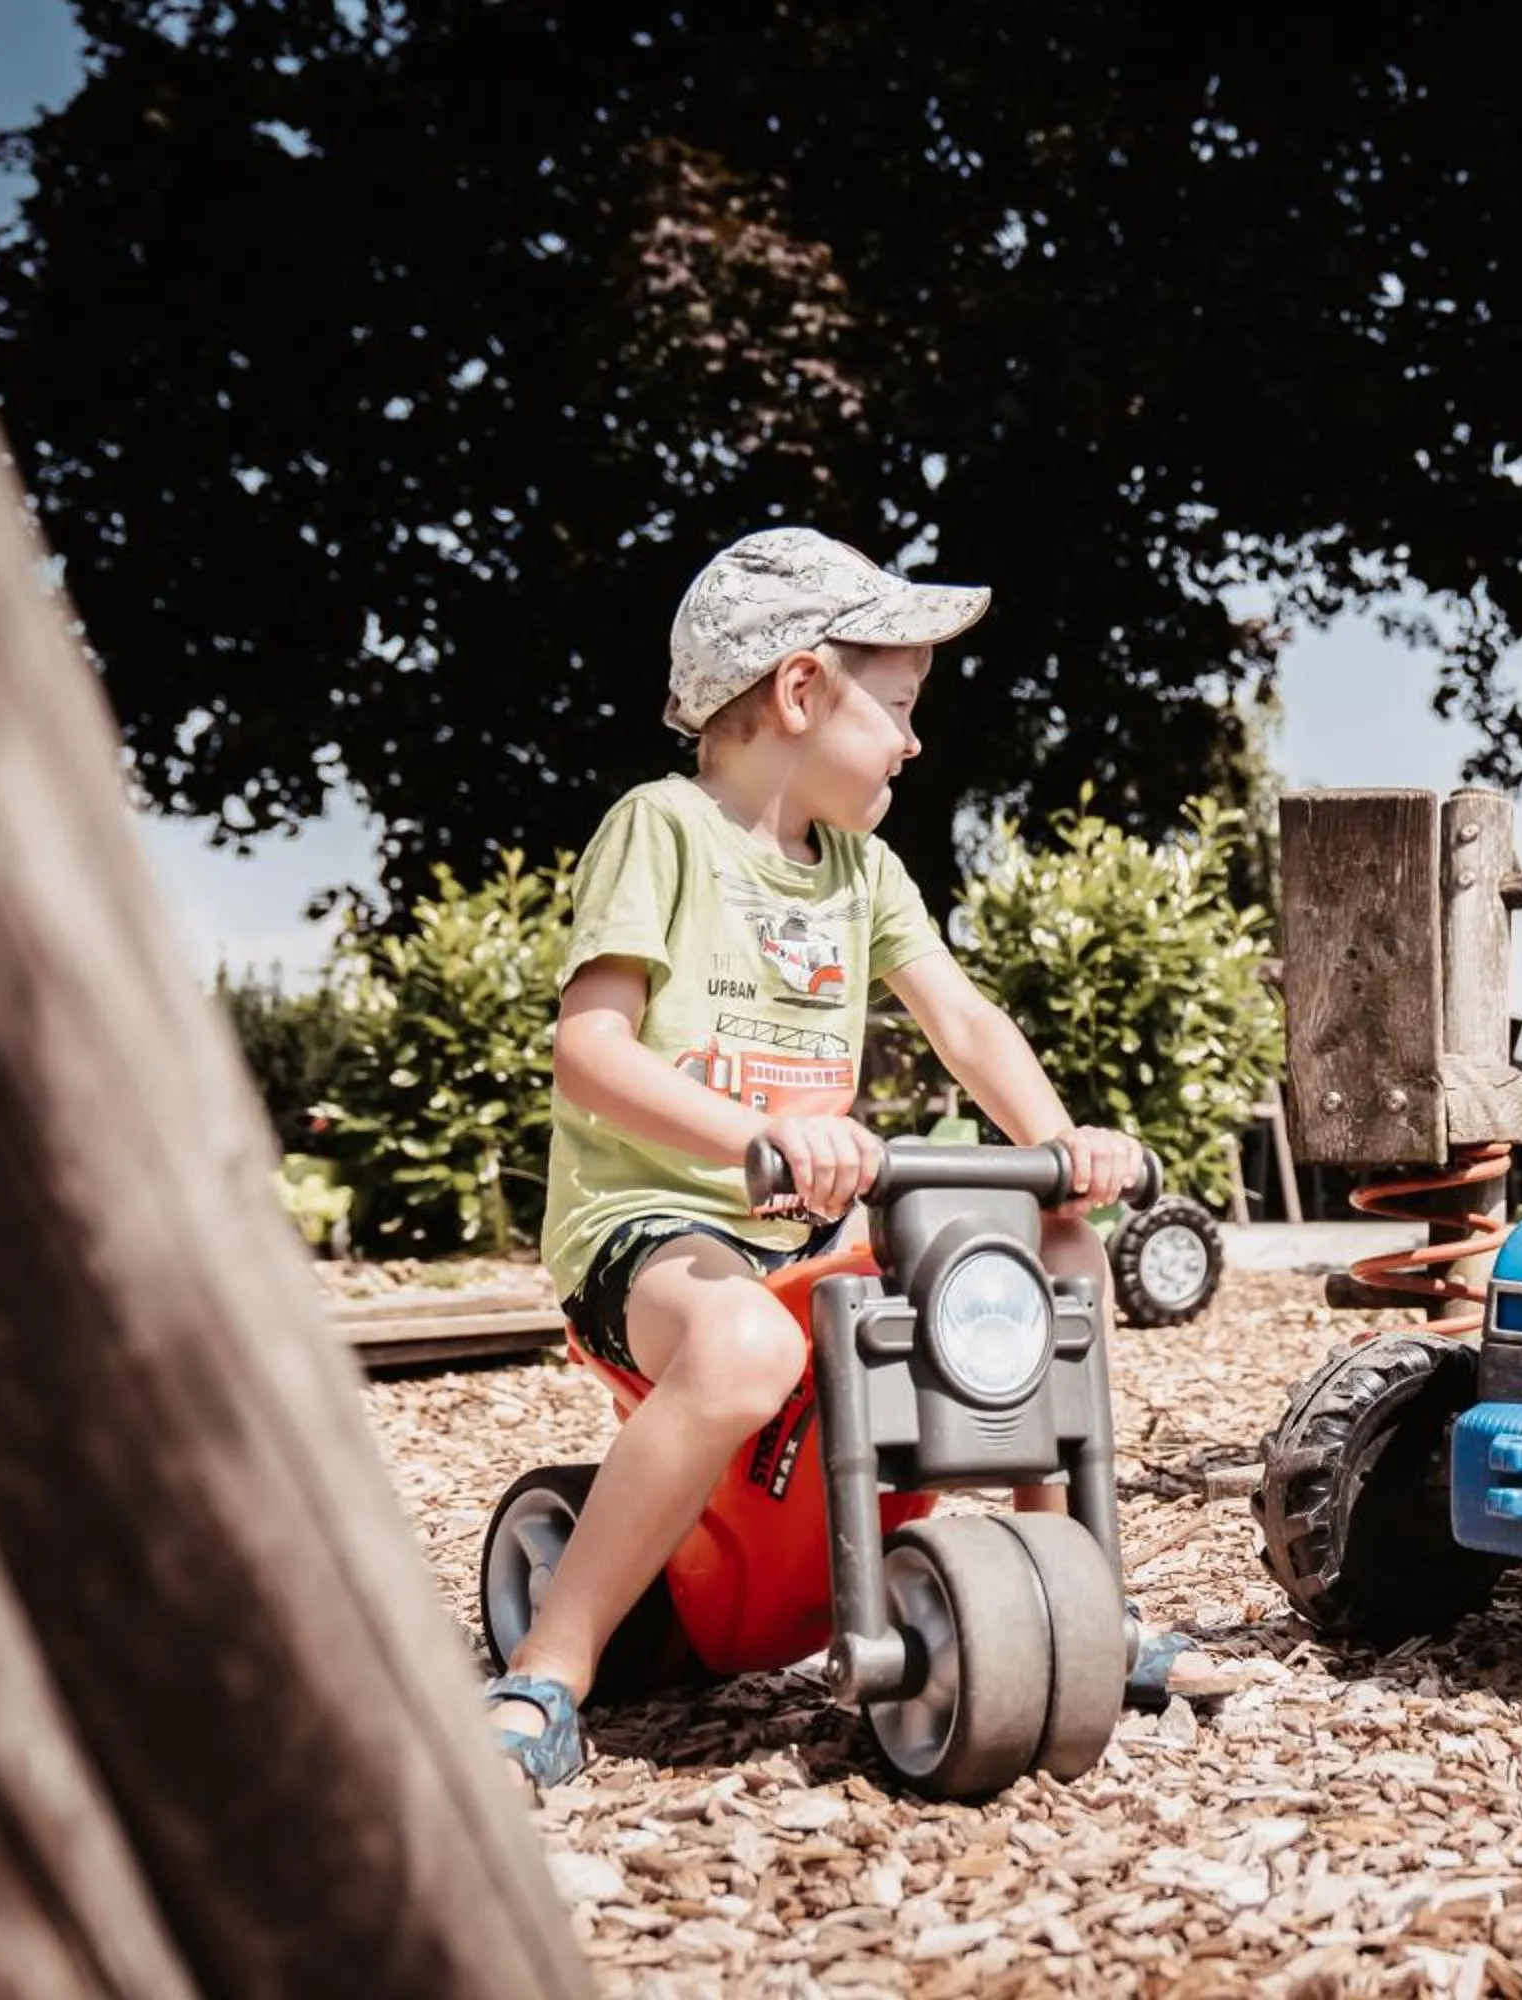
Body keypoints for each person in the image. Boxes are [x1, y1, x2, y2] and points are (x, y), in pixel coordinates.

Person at [487, 526, 1214, 1789]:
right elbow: (589, 1051)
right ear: (801, 690)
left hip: (805, 1226)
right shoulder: (664, 829)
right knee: (746, 1343)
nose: (914, 742)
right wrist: (756, 1136)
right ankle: (550, 1666)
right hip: (650, 1226)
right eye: (899, 707)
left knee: (1051, 1247)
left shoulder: (865, 872)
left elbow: (965, 1022)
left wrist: (1061, 1146)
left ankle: (1080, 1595)